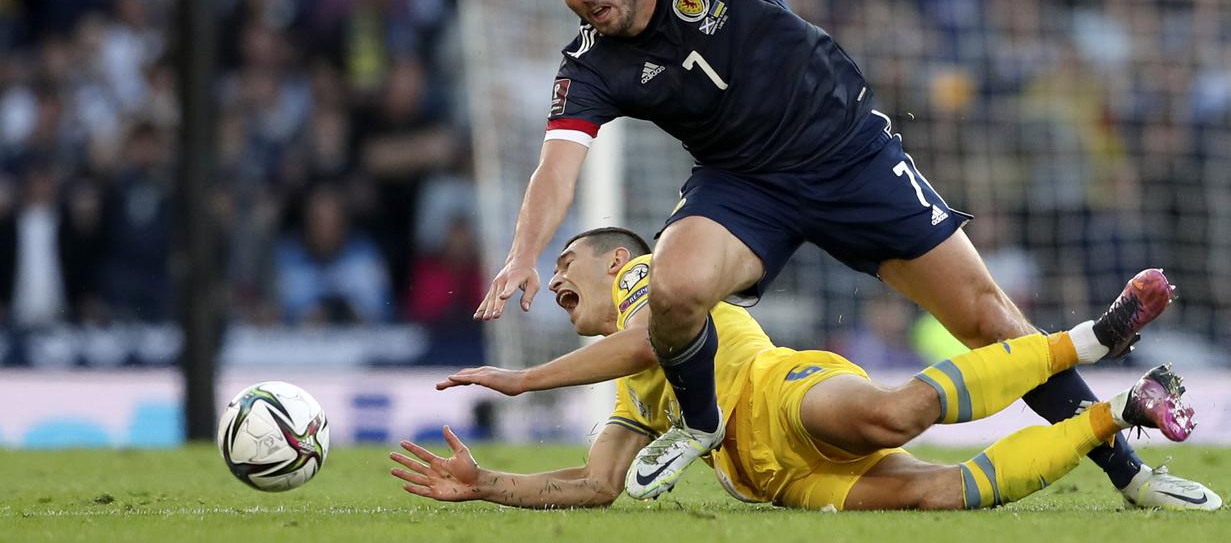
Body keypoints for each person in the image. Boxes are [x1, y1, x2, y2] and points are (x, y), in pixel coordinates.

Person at [472, 0, 1219, 507]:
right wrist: (520, 255)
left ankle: (1128, 473)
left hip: (847, 152)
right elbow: (556, 168)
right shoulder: (589, 65)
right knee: (672, 289)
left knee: (989, 320)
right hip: (743, 184)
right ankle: (700, 424)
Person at [396, 228, 1204, 511]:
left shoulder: (651, 281)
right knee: (937, 493)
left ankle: (1087, 342)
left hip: (777, 400)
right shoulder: (625, 387)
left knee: (891, 416)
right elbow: (600, 484)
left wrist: (522, 378)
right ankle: (1116, 412)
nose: (560, 277)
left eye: (569, 259)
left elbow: (649, 342)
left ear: (618, 260)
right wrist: (486, 484)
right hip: (776, 482)